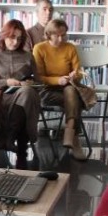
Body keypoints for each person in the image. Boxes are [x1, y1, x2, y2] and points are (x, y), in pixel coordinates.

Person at [0, 19, 41, 169]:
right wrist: (6, 82)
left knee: (28, 93)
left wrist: (30, 83)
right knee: (27, 98)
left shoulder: (28, 56)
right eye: (12, 37)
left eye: (19, 39)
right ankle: (20, 147)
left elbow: (39, 81)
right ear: (4, 35)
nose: (15, 42)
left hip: (23, 95)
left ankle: (11, 137)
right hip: (2, 97)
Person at [32, 18, 87, 160]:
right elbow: (39, 77)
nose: (61, 39)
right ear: (49, 34)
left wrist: (74, 76)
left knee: (71, 91)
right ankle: (74, 139)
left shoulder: (70, 48)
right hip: (47, 90)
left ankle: (70, 132)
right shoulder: (40, 48)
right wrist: (58, 80)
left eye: (63, 35)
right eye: (57, 35)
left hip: (68, 87)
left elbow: (79, 72)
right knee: (76, 100)